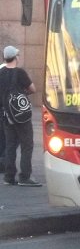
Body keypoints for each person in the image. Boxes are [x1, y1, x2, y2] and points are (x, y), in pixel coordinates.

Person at [1, 46, 40, 186]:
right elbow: (33, 89)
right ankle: (24, 177)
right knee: (27, 144)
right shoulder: (20, 73)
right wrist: (21, 96)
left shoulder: (0, 73)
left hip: (6, 115)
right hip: (21, 116)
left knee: (10, 145)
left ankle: (9, 177)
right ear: (16, 57)